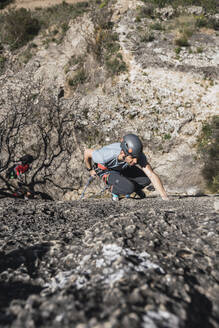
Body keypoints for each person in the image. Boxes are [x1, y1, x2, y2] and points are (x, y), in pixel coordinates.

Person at [84, 134, 168, 201]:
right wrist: (90, 169)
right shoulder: (105, 155)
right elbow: (87, 152)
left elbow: (151, 174)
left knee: (145, 180)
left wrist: (164, 196)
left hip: (122, 168)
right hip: (106, 170)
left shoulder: (137, 155)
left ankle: (131, 187)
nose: (135, 161)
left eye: (137, 157)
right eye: (132, 157)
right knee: (128, 188)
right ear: (123, 153)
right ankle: (114, 190)